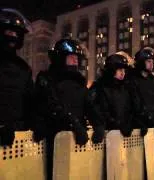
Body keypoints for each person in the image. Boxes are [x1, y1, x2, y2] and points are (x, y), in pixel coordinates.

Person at [32, 39, 104, 180]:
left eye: (77, 58)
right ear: (60, 58)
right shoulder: (47, 78)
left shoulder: (79, 81)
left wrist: (99, 124)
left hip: (77, 138)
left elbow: (89, 104)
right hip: (54, 137)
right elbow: (52, 104)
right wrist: (74, 124)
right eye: (71, 57)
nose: (75, 61)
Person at [0, 8, 34, 146]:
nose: (13, 36)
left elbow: (31, 100)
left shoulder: (23, 68)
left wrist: (34, 123)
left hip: (17, 138)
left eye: (16, 33)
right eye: (9, 31)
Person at [89, 53, 133, 137]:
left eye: (124, 70)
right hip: (106, 134)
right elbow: (98, 110)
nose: (123, 73)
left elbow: (130, 108)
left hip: (123, 135)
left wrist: (128, 124)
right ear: (112, 69)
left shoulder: (125, 87)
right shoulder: (100, 86)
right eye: (120, 70)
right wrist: (115, 124)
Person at [128, 47, 154, 136]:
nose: (152, 64)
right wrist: (143, 119)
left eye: (152, 62)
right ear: (141, 62)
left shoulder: (152, 80)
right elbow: (135, 103)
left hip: (153, 124)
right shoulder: (132, 79)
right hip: (138, 126)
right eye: (149, 61)